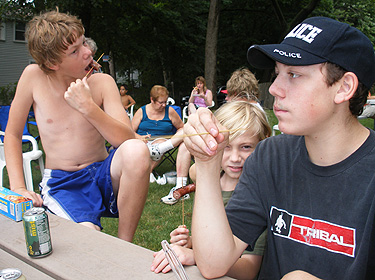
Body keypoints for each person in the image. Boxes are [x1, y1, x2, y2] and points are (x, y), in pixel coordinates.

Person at [182, 17, 375, 279]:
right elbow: (214, 263)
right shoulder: (271, 156)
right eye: (277, 74)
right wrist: (206, 162)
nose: (274, 89)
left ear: (344, 87)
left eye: (294, 75)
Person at [4, 9, 151, 243]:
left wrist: (88, 107)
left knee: (137, 151)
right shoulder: (33, 78)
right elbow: (12, 134)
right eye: (75, 51)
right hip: (65, 182)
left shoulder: (101, 82)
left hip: (104, 172)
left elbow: (126, 140)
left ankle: (125, 245)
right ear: (52, 63)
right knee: (87, 238)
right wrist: (19, 187)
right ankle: (89, 228)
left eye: (84, 43)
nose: (87, 52)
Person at [152, 101, 271, 280]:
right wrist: (191, 243)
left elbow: (249, 269)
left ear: (263, 145)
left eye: (246, 147)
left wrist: (196, 258)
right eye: (227, 147)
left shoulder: (259, 197)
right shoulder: (210, 185)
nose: (235, 158)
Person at [160, 69, 264, 205]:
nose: (226, 98)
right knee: (186, 140)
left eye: (229, 95)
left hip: (218, 169)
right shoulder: (243, 112)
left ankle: (161, 150)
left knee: (186, 146)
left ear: (236, 94)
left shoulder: (251, 116)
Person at [132, 85, 184, 171]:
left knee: (161, 144)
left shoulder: (170, 111)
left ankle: (146, 172)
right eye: (161, 102)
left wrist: (175, 137)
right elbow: (130, 131)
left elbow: (181, 128)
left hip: (162, 142)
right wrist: (139, 137)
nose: (164, 105)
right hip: (143, 142)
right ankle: (146, 172)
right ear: (152, 99)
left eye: (165, 102)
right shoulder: (142, 111)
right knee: (147, 147)